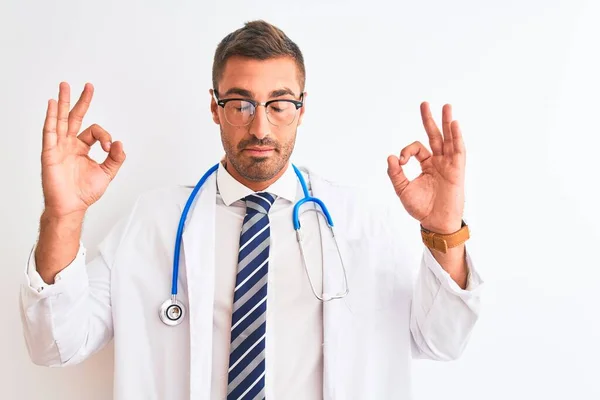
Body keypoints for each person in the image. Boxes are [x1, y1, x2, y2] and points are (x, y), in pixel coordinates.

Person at [19, 20, 482, 400]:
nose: (260, 126)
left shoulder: (359, 222)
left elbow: (441, 340)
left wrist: (443, 229)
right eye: (240, 104)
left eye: (278, 104)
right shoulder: (152, 223)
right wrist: (63, 215)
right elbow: (56, 343)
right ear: (215, 108)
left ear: (301, 110)